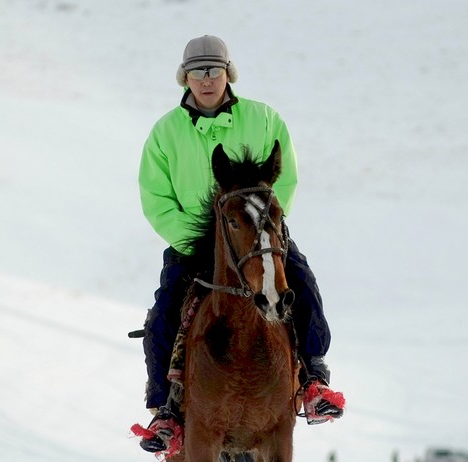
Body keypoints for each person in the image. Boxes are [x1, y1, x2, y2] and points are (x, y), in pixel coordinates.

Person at [133, 35, 344, 455]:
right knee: (162, 314)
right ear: (185, 78)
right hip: (195, 245)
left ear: (228, 73)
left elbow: (285, 177)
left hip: (258, 236)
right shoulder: (165, 132)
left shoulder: (263, 118)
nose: (207, 79)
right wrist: (193, 239)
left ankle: (313, 379)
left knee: (302, 283)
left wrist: (268, 224)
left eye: (214, 70)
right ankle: (166, 412)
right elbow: (154, 197)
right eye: (198, 72)